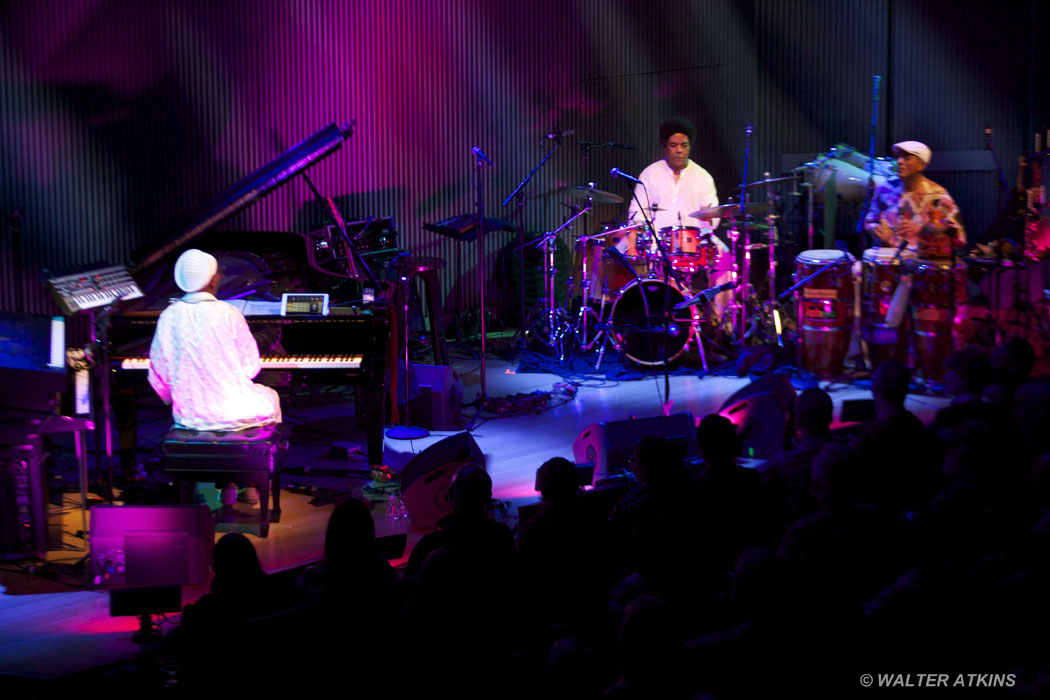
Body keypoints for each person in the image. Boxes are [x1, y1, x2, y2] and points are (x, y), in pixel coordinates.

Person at [147, 248, 282, 431]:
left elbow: (159, 373)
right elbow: (250, 367)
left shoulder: (168, 316)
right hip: (231, 412)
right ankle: (262, 455)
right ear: (213, 279)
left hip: (188, 416)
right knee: (271, 396)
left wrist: (181, 395)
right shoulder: (229, 313)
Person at [626, 117, 734, 320]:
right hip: (659, 243)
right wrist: (640, 238)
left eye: (684, 146)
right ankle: (664, 315)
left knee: (725, 255)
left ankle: (722, 321)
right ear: (665, 147)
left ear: (690, 147)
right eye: (673, 145)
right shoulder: (649, 174)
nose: (679, 150)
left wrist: (708, 218)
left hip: (698, 241)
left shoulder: (703, 177)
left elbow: (714, 217)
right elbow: (636, 214)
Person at [863, 141, 966, 259]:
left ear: (921, 165)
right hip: (888, 263)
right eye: (899, 157)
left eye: (907, 158)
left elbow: (958, 236)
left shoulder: (938, 195)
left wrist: (923, 231)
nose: (899, 161)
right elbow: (869, 221)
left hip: (923, 264)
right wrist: (877, 230)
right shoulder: (884, 190)